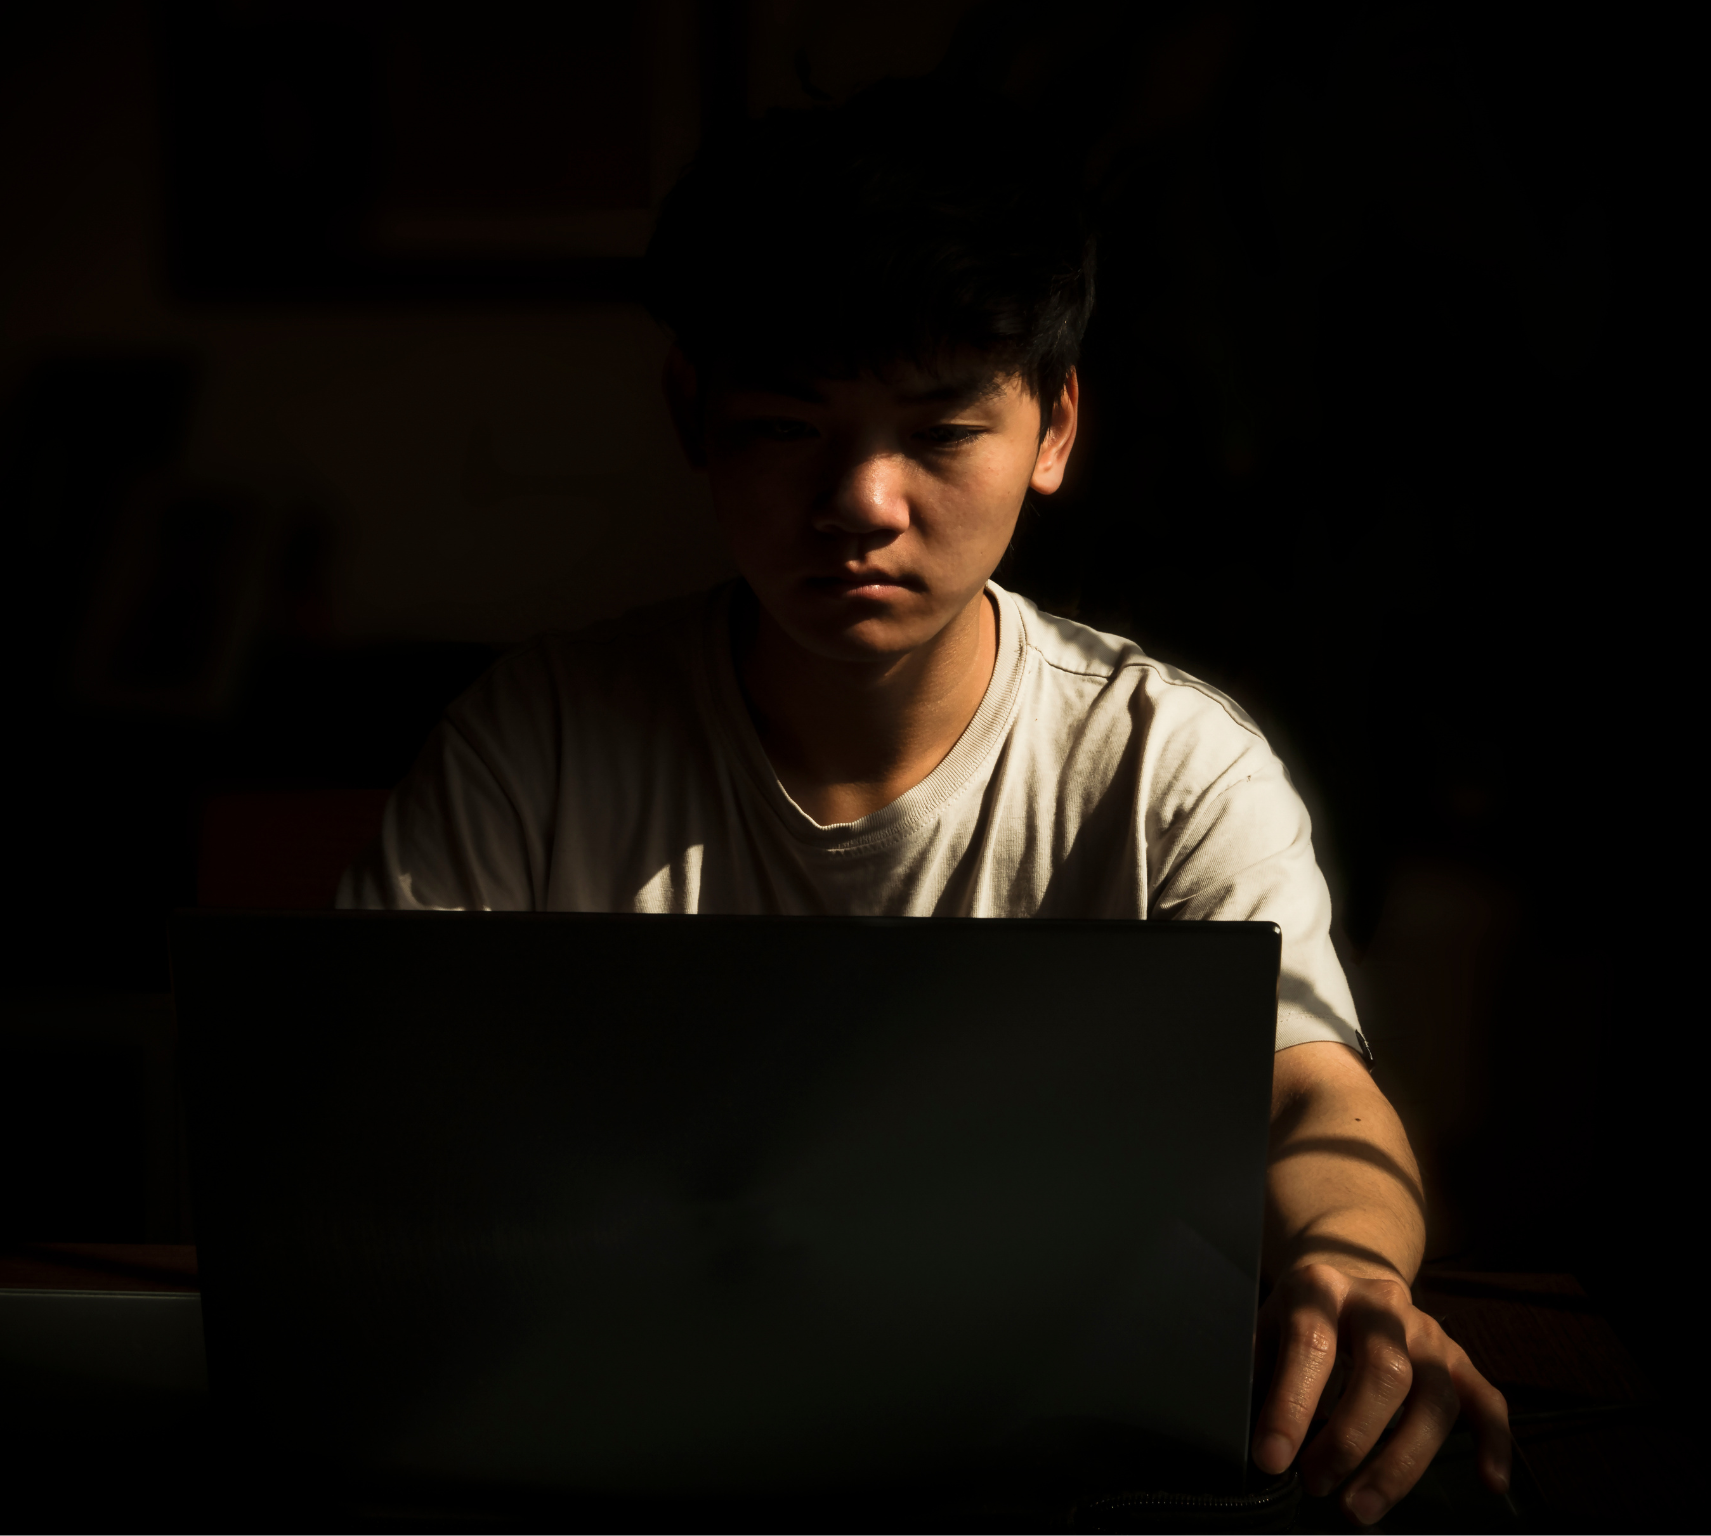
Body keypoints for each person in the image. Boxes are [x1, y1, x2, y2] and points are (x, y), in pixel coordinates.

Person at [341, 78, 1510, 1523]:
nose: (864, 501)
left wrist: (1353, 1270)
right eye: (785, 427)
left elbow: (1309, 1091)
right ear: (690, 415)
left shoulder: (1163, 762)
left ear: (1055, 427)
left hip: (1047, 1455)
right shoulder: (544, 741)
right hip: (616, 1443)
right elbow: (379, 1117)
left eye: (942, 431)